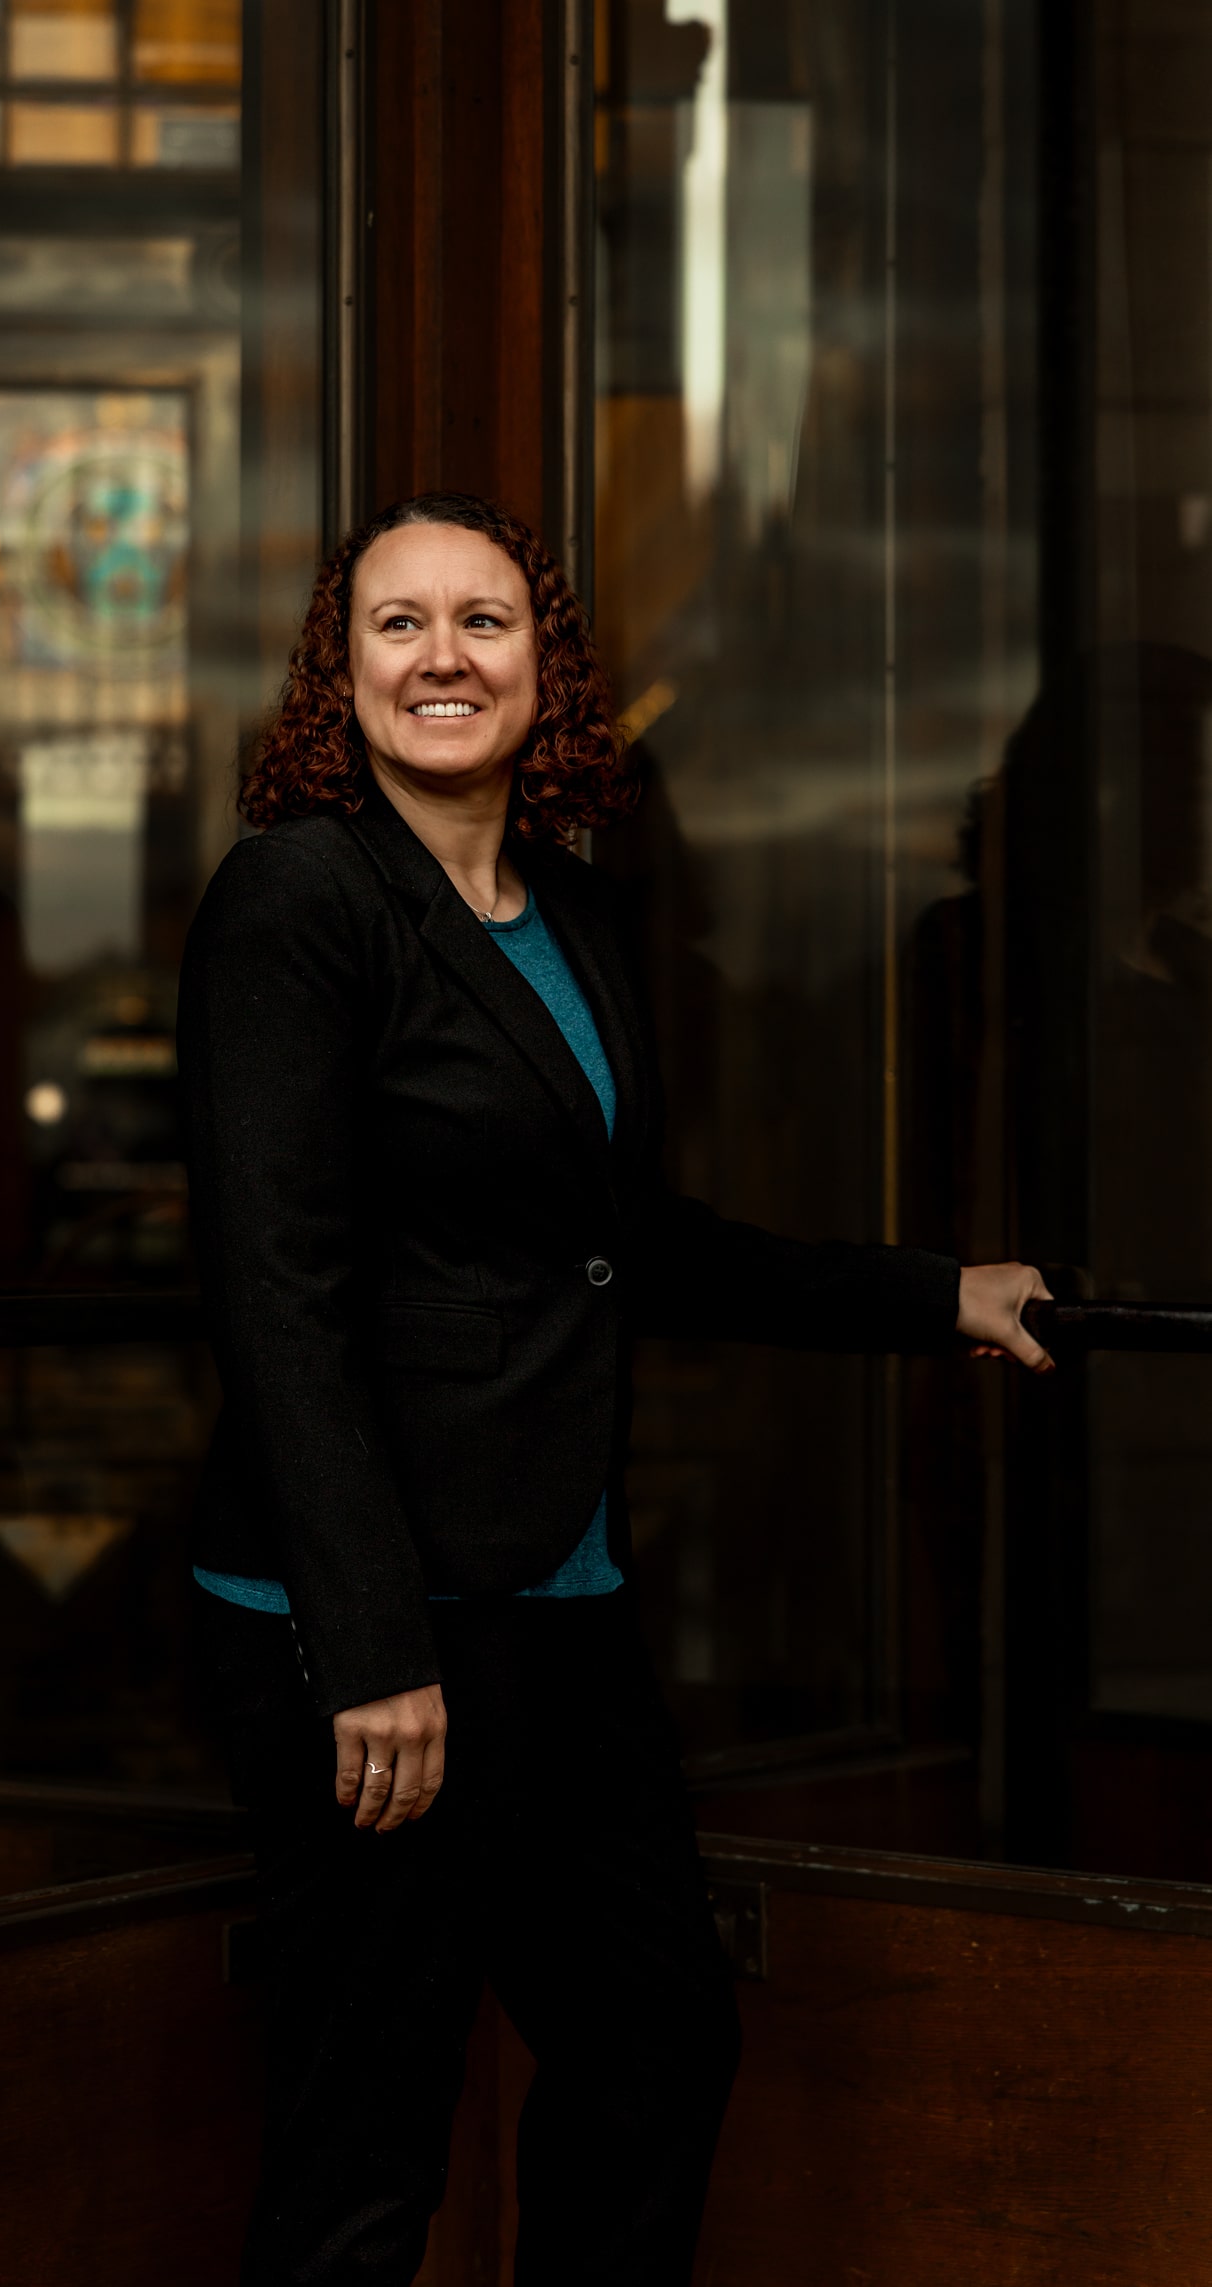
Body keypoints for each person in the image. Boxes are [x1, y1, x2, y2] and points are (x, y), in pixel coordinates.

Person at [176, 491, 1052, 2287]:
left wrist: (931, 1294)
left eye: (482, 622)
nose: (441, 657)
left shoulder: (567, 910)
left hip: (559, 1604)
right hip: (376, 1625)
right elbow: (278, 1296)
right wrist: (372, 1649)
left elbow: (621, 1240)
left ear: (543, 663)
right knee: (371, 2137)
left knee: (657, 2041)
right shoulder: (299, 899)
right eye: (395, 624)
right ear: (337, 678)